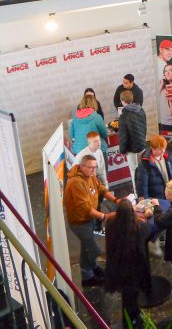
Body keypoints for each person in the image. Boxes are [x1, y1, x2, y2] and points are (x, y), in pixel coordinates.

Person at [63, 154, 117, 286]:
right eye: (90, 168)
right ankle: (89, 277)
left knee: (86, 248)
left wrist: (116, 200)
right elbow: (85, 208)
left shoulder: (91, 176)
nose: (93, 171)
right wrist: (104, 216)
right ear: (81, 166)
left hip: (89, 220)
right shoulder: (75, 182)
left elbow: (101, 189)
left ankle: (90, 272)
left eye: (95, 167)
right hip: (79, 222)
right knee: (94, 249)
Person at [104, 199, 151, 327]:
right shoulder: (138, 227)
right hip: (134, 270)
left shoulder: (110, 224)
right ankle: (130, 320)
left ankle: (132, 316)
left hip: (117, 268)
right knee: (131, 295)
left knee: (126, 295)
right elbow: (148, 231)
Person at [117, 89, 147, 190]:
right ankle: (145, 191)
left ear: (122, 101)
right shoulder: (141, 110)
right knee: (143, 170)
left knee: (134, 172)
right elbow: (145, 127)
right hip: (142, 145)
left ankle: (137, 194)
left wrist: (122, 150)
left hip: (132, 150)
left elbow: (123, 137)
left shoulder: (123, 117)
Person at [135, 135, 172, 199]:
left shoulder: (167, 158)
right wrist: (147, 203)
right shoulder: (145, 164)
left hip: (170, 197)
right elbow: (142, 188)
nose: (163, 151)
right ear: (153, 148)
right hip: (157, 201)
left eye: (164, 148)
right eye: (160, 149)